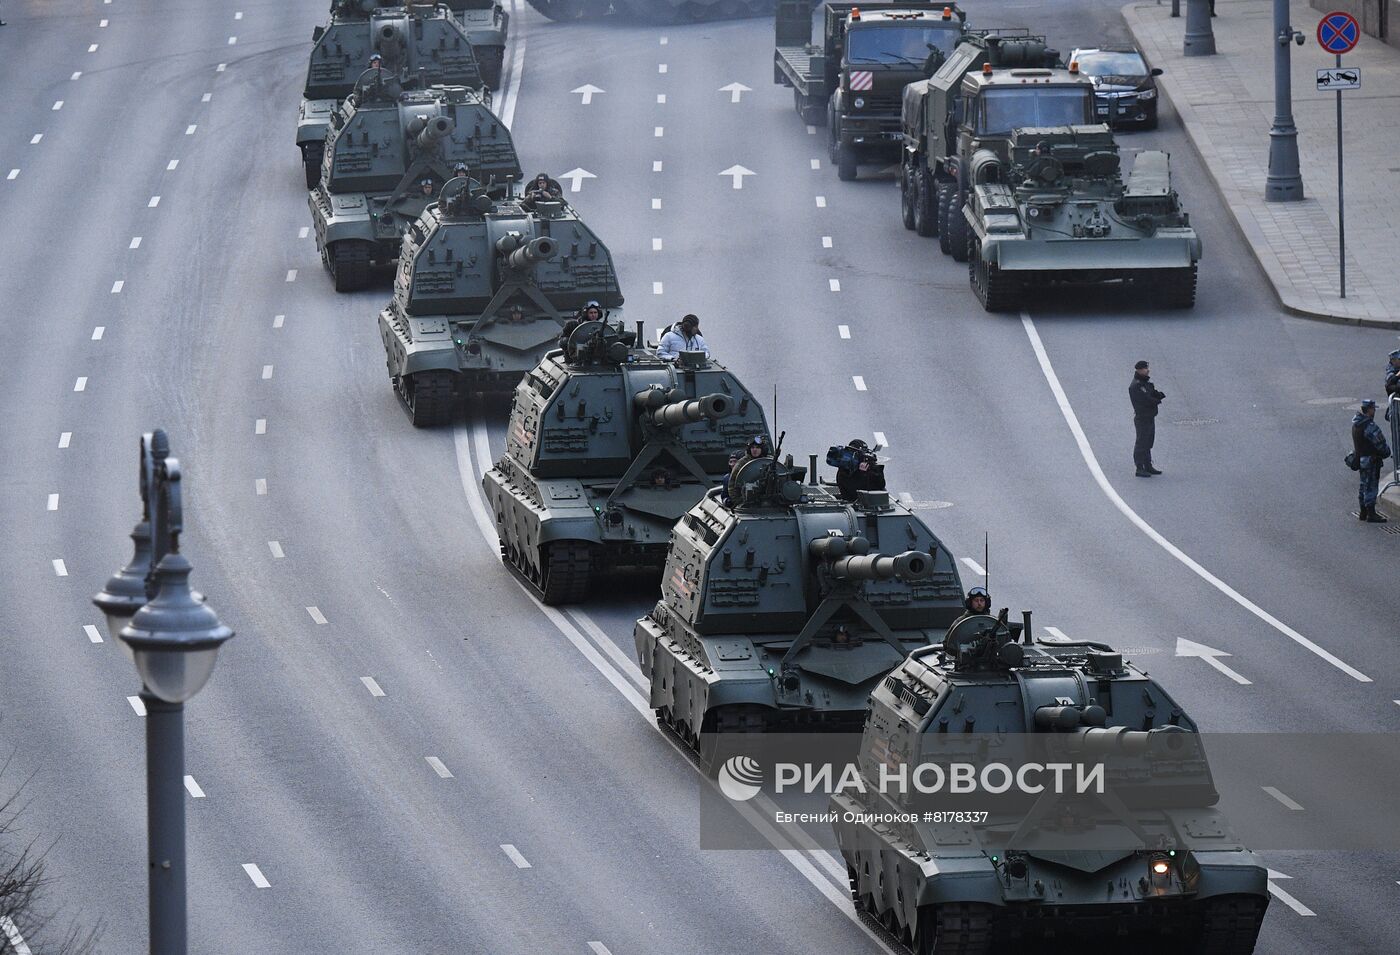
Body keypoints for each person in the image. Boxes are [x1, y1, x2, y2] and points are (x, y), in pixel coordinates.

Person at [1352, 399, 1391, 523]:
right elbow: (1380, 444)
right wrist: (1386, 452)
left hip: (1361, 459)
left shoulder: (1356, 423)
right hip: (1371, 460)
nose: (1374, 411)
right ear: (1369, 410)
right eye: (1373, 409)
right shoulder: (1369, 426)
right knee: (1371, 486)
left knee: (1363, 484)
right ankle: (1371, 513)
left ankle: (1363, 511)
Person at [1129, 360, 1165, 477]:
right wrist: (1157, 400)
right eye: (1145, 368)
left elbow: (1151, 393)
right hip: (1142, 417)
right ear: (1139, 370)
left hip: (1149, 416)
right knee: (1141, 442)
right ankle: (1139, 467)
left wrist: (1158, 394)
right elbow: (1146, 400)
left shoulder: (1145, 383)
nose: (1147, 370)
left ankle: (1148, 465)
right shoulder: (1136, 386)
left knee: (1148, 441)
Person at [1384, 349, 1399, 421]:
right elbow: (1389, 384)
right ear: (1393, 361)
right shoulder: (1391, 371)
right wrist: (1398, 375)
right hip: (1396, 407)